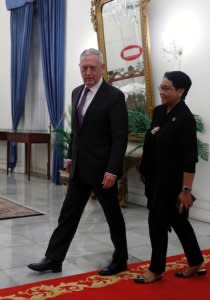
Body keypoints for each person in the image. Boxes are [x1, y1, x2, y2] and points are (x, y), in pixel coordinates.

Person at [28, 48, 129, 276]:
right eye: (84, 67)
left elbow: (119, 137)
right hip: (80, 169)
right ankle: (54, 259)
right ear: (79, 68)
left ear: (101, 68)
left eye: (93, 67)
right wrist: (70, 156)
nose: (88, 72)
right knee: (68, 215)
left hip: (103, 172)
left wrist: (113, 170)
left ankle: (121, 259)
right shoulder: (76, 93)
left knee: (113, 216)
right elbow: (77, 130)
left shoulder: (114, 97)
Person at [134, 71, 206, 284]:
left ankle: (156, 270)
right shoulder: (159, 112)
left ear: (181, 91)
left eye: (167, 88)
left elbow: (189, 159)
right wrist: (145, 171)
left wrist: (186, 191)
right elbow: (152, 142)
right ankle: (195, 261)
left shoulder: (185, 119)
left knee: (156, 222)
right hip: (155, 179)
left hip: (172, 183)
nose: (162, 92)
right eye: (161, 87)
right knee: (179, 221)